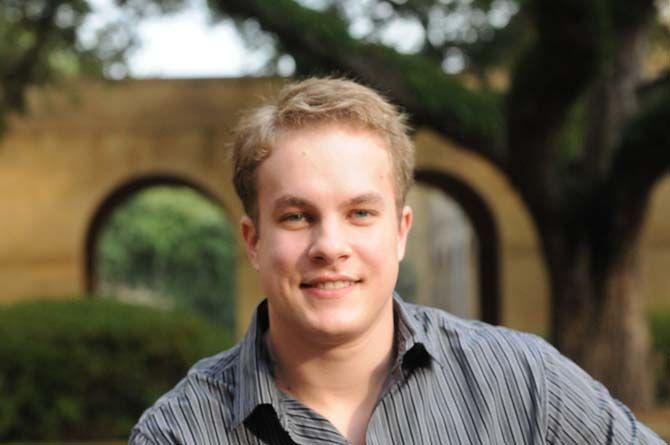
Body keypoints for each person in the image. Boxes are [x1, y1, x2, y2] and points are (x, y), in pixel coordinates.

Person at [129, 77, 664, 444]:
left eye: (360, 212)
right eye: (296, 217)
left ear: (401, 232)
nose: (329, 246)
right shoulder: (182, 430)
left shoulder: (522, 381)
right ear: (253, 241)